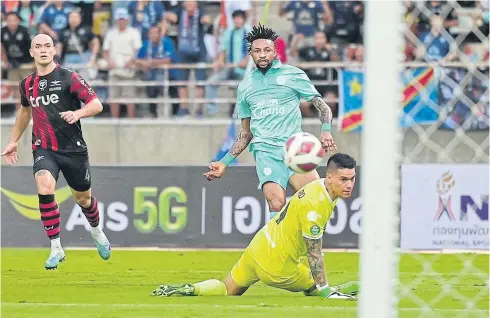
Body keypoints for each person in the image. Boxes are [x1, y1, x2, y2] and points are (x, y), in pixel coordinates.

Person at [153, 153, 359, 298]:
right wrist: (323, 289)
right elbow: (314, 253)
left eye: (352, 179)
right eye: (344, 179)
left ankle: (190, 289)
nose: (349, 185)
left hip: (258, 247)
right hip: (276, 267)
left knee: (228, 289)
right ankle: (335, 290)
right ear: (330, 178)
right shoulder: (317, 204)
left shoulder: (318, 186)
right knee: (316, 287)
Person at [1, 34, 111, 270]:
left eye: (47, 46)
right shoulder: (27, 84)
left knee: (83, 199)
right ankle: (56, 248)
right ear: (31, 52)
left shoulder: (69, 77)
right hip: (43, 148)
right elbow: (24, 111)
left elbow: (96, 104)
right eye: (38, 46)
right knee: (44, 187)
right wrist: (13, 140)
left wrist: (78, 114)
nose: (43, 50)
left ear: (54, 51)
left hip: (73, 149)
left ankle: (96, 230)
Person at [204, 24, 337, 219]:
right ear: (251, 54)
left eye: (267, 50)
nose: (263, 54)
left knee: (317, 201)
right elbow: (245, 133)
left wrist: (326, 130)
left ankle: (309, 248)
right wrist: (224, 162)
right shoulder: (246, 87)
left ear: (275, 52)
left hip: (295, 149)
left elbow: (321, 106)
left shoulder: (294, 75)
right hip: (266, 151)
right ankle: (277, 249)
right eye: (257, 51)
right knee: (276, 203)